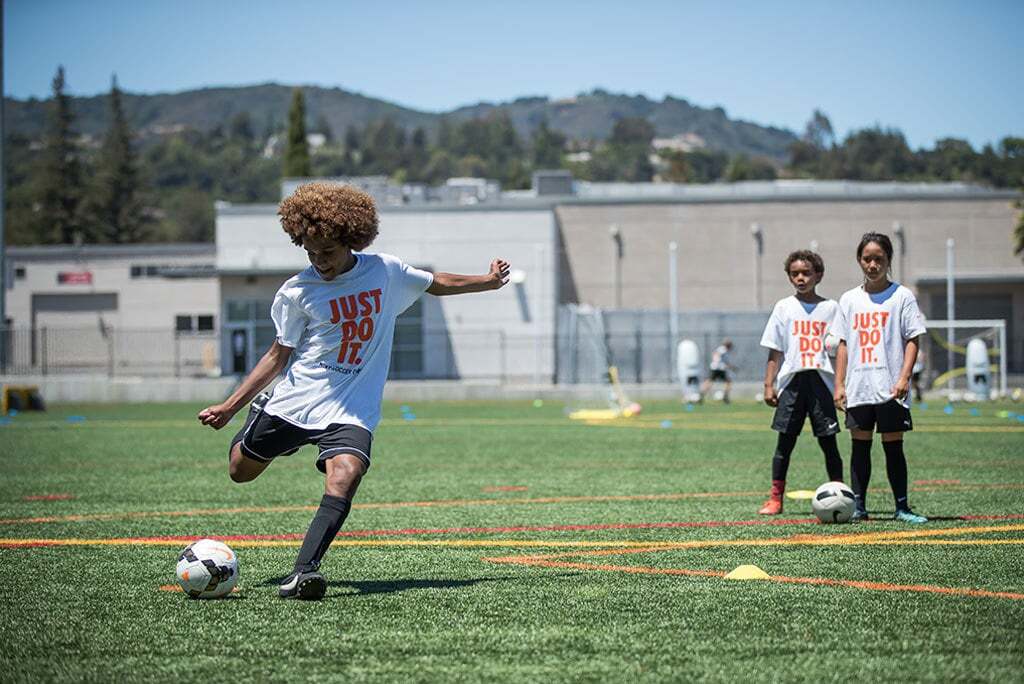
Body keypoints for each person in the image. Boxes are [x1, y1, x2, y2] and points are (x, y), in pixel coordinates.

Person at [198, 182, 510, 599]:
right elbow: (277, 355)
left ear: (351, 239)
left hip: (351, 409)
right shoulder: (297, 291)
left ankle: (303, 572)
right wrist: (230, 407)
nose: (319, 260)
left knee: (345, 474)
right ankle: (263, 422)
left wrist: (487, 282)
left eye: (327, 251)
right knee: (240, 471)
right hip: (295, 401)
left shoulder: (385, 271)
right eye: (309, 251)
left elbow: (436, 282)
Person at [833, 231, 927, 524]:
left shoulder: (902, 296)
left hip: (890, 388)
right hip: (859, 387)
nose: (872, 265)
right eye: (867, 259)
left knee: (893, 444)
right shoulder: (848, 300)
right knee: (859, 445)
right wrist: (839, 384)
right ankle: (859, 507)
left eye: (879, 259)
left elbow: (913, 338)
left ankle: (902, 507)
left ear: (889, 261)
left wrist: (904, 378)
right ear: (859, 260)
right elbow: (843, 345)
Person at [757, 250, 844, 515]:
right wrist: (769, 384)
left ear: (818, 275)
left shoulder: (831, 308)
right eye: (795, 274)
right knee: (785, 443)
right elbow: (775, 349)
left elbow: (841, 347)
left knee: (829, 443)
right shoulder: (784, 307)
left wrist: (841, 384)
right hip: (792, 383)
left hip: (821, 382)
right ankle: (775, 498)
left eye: (806, 273)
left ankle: (841, 494)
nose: (801, 278)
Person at [700, 338, 734, 403]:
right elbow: (716, 354)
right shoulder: (722, 349)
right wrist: (717, 361)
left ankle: (725, 396)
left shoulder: (725, 351)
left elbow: (725, 362)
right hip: (717, 369)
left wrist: (731, 367)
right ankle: (701, 395)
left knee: (711, 382)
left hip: (719, 369)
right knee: (711, 382)